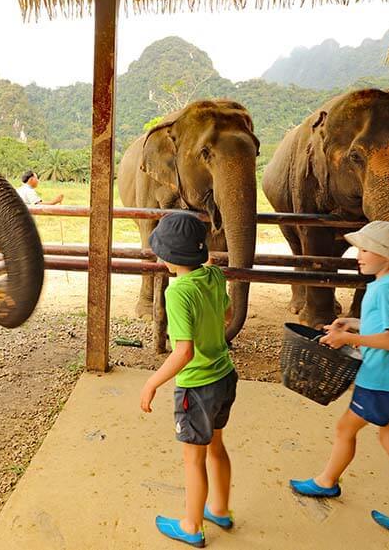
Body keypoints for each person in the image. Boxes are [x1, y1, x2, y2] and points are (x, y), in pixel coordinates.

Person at [290, 221, 389, 545]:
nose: (358, 255)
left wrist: (350, 338)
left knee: (345, 429)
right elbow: (386, 324)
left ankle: (326, 482)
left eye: (366, 249)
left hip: (381, 382)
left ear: (388, 256)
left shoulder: (387, 287)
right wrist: (350, 323)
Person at [139, 212, 237, 548]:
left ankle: (192, 526)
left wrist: (152, 382)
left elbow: (184, 352)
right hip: (225, 376)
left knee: (193, 459)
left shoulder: (177, 292)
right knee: (217, 447)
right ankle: (220, 509)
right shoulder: (213, 274)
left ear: (166, 257)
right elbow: (226, 314)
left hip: (197, 386)